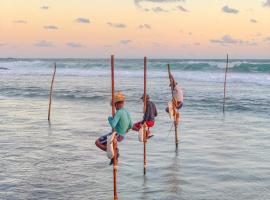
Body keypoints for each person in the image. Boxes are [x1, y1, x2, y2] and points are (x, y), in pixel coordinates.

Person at [95, 92, 133, 165]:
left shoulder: (119, 112)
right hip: (122, 136)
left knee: (97, 142)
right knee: (109, 144)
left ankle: (114, 153)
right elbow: (131, 125)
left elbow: (113, 125)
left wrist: (109, 118)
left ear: (116, 104)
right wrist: (124, 131)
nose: (114, 107)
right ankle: (113, 155)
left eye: (114, 105)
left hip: (116, 135)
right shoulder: (126, 111)